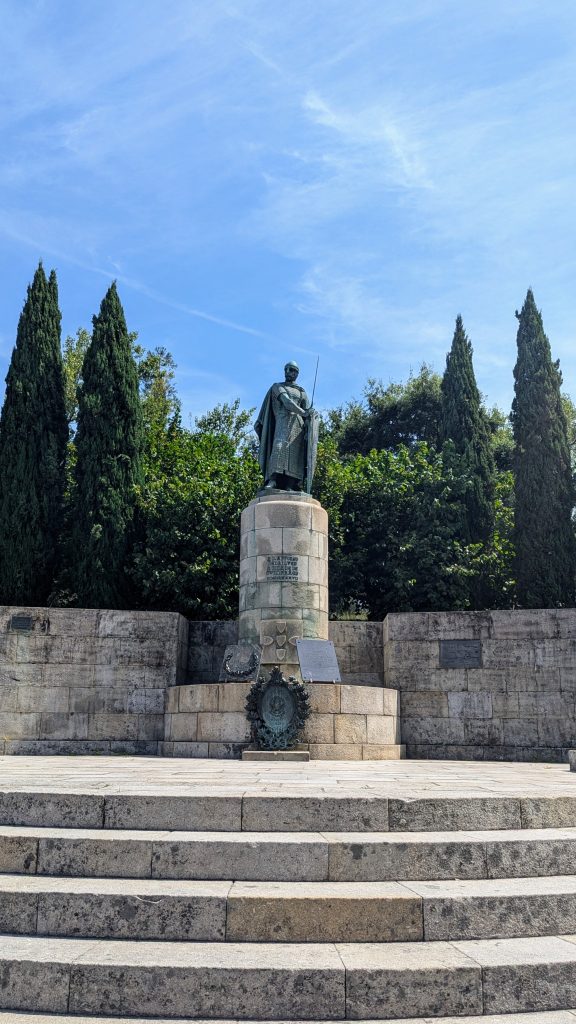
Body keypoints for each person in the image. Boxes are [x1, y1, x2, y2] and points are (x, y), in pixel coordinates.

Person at [254, 361, 315, 492]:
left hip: (297, 427)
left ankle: (290, 484)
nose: (288, 372)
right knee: (278, 449)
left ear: (297, 373)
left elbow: (308, 411)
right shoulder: (277, 387)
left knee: (295, 456)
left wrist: (311, 415)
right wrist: (304, 412)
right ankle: (273, 480)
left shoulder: (302, 392)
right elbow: (287, 402)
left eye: (291, 370)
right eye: (286, 369)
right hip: (282, 423)